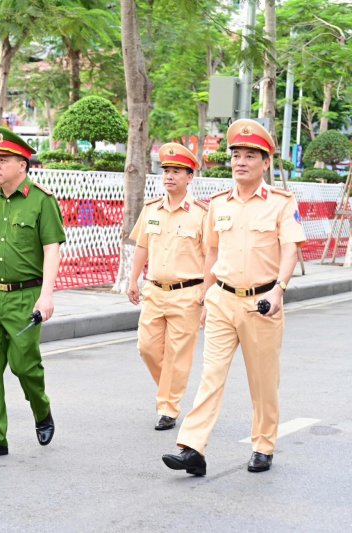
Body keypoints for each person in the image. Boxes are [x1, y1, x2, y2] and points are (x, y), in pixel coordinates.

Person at [162, 119, 306, 475]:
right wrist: (206, 293)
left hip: (262, 303)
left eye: (250, 155)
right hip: (222, 300)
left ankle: (263, 445)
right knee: (211, 375)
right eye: (236, 155)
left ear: (266, 162)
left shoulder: (282, 203)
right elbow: (212, 252)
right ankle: (192, 447)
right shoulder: (218, 204)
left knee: (262, 380)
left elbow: (290, 250)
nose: (240, 161)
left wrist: (279, 290)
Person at [0, 127, 66, 459]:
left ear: (23, 164)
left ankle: (41, 408)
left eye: (3, 160)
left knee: (24, 366)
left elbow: (52, 249)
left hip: (24, 298)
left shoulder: (42, 201)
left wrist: (46, 296)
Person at [128, 143, 208, 430]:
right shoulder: (152, 209)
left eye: (176, 171)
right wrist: (133, 278)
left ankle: (168, 409)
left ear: (189, 177)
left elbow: (211, 255)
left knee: (177, 354)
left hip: (188, 293)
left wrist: (206, 294)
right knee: (146, 348)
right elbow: (141, 246)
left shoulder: (201, 213)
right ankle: (169, 391)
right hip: (154, 290)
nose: (169, 176)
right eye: (166, 171)